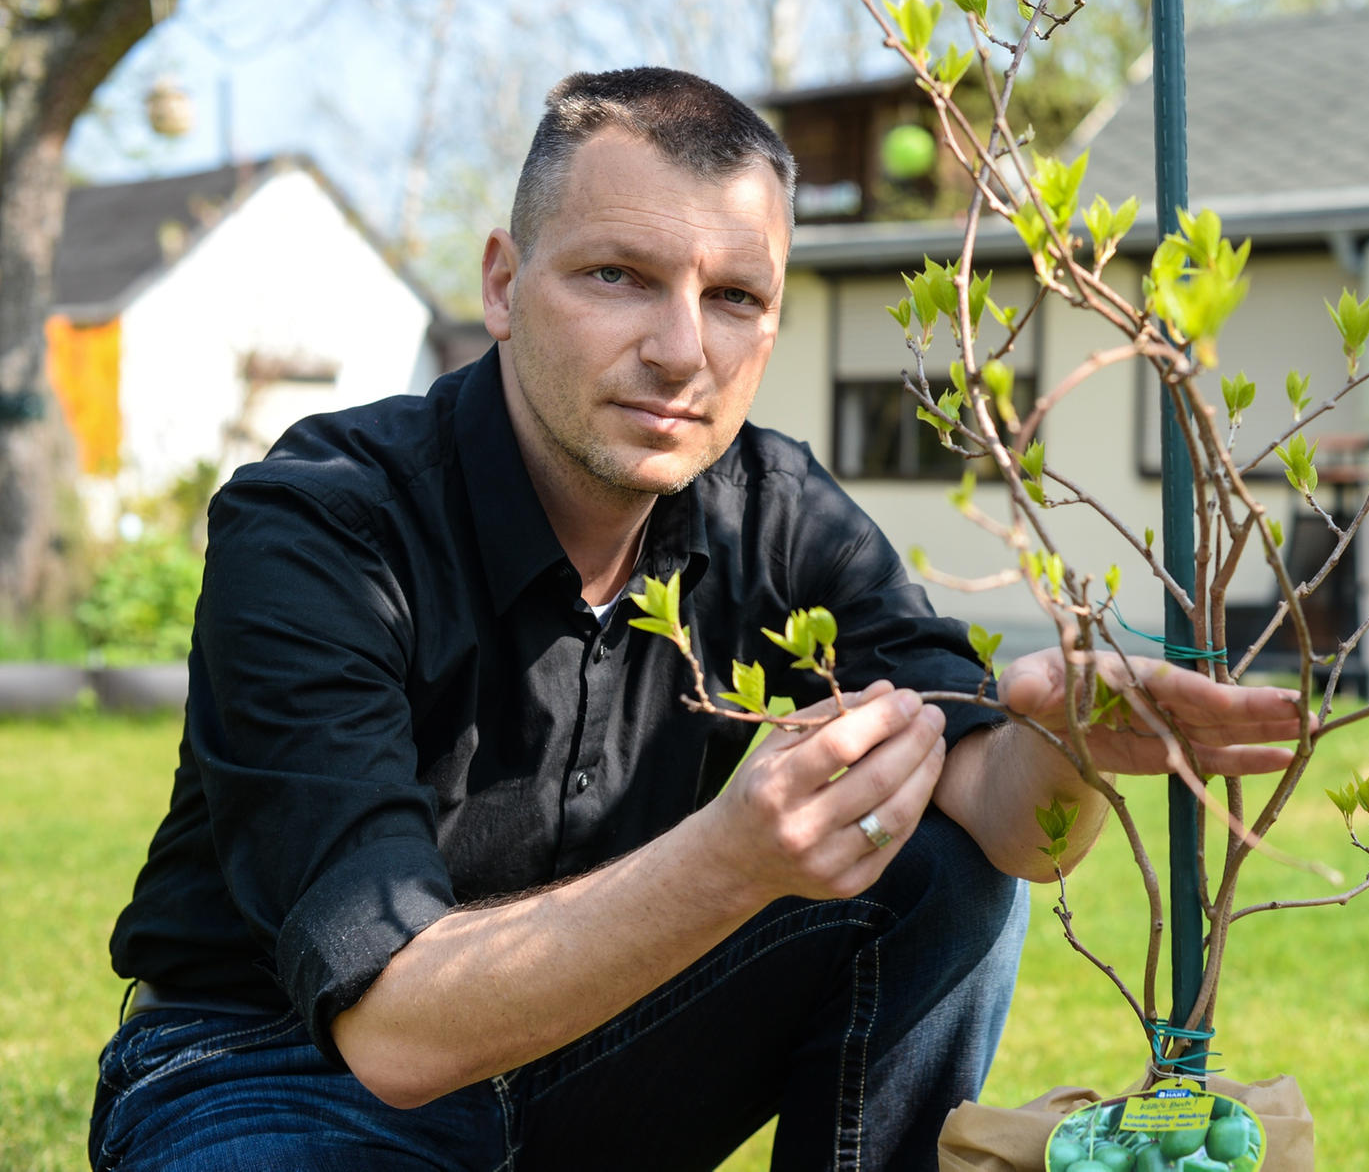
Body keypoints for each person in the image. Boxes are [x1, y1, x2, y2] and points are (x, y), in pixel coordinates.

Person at [88, 67, 1305, 1171]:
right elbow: (393, 1031)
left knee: (933, 865)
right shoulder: (326, 526)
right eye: (617, 276)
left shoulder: (776, 512)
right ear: (503, 284)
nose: (682, 352)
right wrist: (734, 855)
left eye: (733, 296)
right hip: (277, 1069)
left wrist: (1064, 745)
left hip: (598, 1050)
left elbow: (1008, 832)